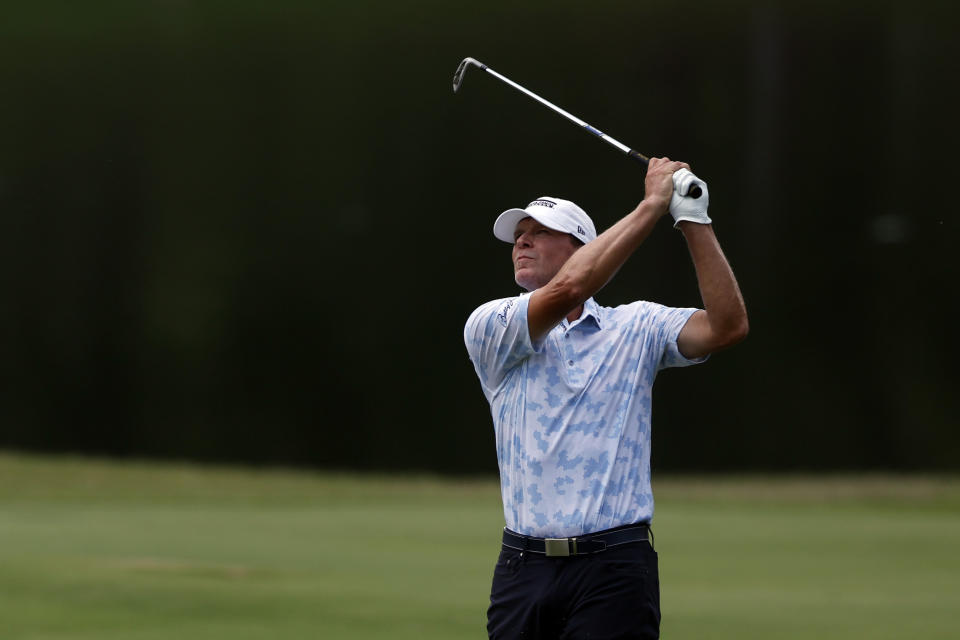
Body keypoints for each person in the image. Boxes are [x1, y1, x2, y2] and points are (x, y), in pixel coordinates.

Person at [463, 158, 748, 639]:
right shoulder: (492, 325)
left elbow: (727, 326)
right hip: (523, 566)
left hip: (616, 566)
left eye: (540, 231)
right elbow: (571, 286)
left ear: (581, 247)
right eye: (519, 233)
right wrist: (652, 203)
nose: (522, 241)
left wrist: (693, 219)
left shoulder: (636, 326)